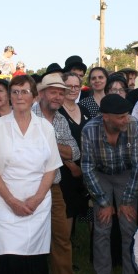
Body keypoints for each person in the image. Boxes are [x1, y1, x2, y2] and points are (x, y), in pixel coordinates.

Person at [0, 75, 61, 274]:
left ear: (34, 96)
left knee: (33, 258)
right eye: (14, 92)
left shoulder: (45, 128)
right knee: (9, 258)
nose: (19, 97)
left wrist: (37, 198)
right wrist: (11, 201)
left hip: (38, 201)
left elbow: (51, 168)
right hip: (6, 200)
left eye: (24, 92)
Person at [81, 94, 138, 274]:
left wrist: (126, 201)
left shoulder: (135, 126)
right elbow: (87, 168)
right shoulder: (89, 130)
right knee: (103, 224)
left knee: (129, 226)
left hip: (127, 173)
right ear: (105, 117)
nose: (125, 119)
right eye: (120, 117)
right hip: (100, 174)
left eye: (126, 115)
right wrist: (102, 201)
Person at [32, 73, 90, 274]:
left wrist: (47, 142)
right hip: (27, 186)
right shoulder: (28, 114)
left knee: (61, 235)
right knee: (29, 235)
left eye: (61, 92)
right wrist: (57, 147)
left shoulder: (60, 119)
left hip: (53, 186)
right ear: (42, 93)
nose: (57, 96)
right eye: (53, 91)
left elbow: (74, 151)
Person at [58, 73, 92, 224]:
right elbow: (52, 143)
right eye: (69, 86)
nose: (73, 89)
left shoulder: (85, 110)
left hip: (84, 170)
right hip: (64, 170)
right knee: (66, 215)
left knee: (80, 211)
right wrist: (72, 166)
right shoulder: (56, 111)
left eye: (76, 86)